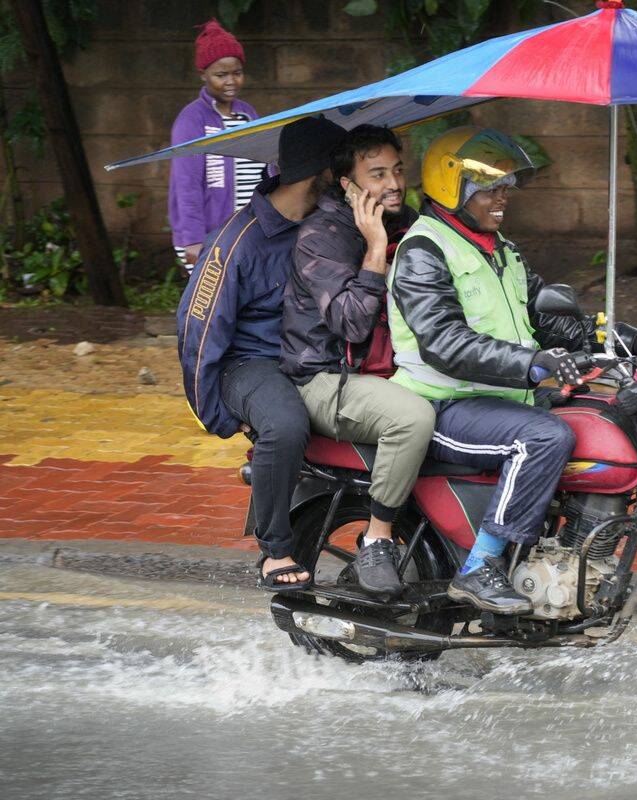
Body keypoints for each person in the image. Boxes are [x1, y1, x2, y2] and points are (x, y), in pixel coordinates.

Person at [387, 127, 593, 615]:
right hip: (440, 404)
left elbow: (541, 315)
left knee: (598, 413)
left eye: (506, 186)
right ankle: (480, 567)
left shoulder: (500, 248)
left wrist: (608, 339)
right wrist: (532, 363)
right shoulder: (424, 251)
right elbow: (444, 344)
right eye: (490, 186)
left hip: (498, 399)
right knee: (544, 438)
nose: (504, 195)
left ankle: (559, 553)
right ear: (450, 185)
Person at [177, 116, 348, 591]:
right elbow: (198, 333)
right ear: (322, 173)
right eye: (345, 166)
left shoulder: (329, 219)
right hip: (251, 365)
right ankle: (276, 549)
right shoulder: (236, 242)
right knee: (285, 423)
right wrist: (221, 418)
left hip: (313, 356)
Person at [281, 125, 434, 597]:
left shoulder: (407, 222)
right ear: (348, 184)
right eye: (377, 174)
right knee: (412, 419)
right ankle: (378, 537)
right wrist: (373, 249)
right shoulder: (321, 237)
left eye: (398, 170)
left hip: (387, 369)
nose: (393, 183)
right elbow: (350, 326)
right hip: (327, 378)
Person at [169, 19, 268, 273]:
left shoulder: (248, 114)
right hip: (208, 235)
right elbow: (186, 184)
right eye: (220, 75)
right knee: (211, 305)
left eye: (237, 73)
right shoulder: (192, 119)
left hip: (247, 230)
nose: (231, 81)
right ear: (204, 75)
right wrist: (192, 238)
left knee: (242, 302)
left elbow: (264, 167)